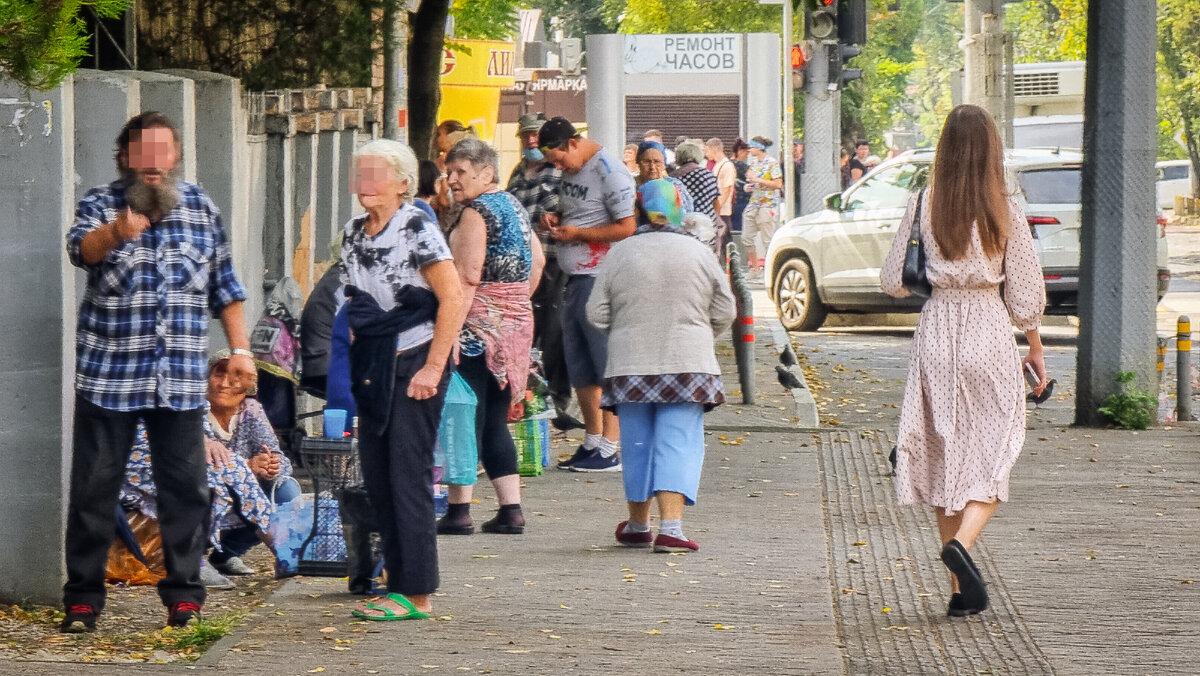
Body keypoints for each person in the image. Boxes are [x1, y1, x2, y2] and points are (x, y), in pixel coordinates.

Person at [62, 112, 254, 633]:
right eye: (141, 151)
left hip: (180, 378)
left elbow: (226, 288)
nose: (152, 161)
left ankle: (184, 598)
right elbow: (81, 250)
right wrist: (117, 232)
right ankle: (82, 600)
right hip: (110, 376)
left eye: (162, 151)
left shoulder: (200, 207)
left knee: (186, 490)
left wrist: (241, 348)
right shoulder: (101, 204)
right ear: (125, 156)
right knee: (94, 490)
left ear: (174, 158)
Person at [880, 104, 1047, 618]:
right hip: (988, 329)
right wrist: (1036, 347)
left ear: (946, 151)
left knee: (944, 450)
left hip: (936, 329)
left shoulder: (923, 202)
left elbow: (891, 279)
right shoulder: (1005, 210)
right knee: (999, 447)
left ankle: (959, 591)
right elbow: (1025, 292)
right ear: (991, 151)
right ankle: (963, 548)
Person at [340, 138, 464, 621]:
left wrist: (433, 367)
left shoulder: (416, 225)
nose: (365, 183)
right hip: (374, 362)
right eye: (360, 173)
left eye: (375, 173)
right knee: (378, 476)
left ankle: (416, 593)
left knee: (407, 475)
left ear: (403, 183)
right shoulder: (353, 232)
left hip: (417, 356)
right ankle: (395, 582)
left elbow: (452, 298)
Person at [587, 178, 735, 552]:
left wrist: (625, 331)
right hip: (688, 363)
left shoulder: (619, 254)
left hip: (629, 365)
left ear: (638, 209)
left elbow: (596, 313)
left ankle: (638, 525)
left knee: (637, 444)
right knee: (679, 441)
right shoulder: (699, 253)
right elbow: (725, 310)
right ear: (679, 209)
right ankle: (671, 528)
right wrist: (700, 333)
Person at [438, 138, 545, 535]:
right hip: (514, 331)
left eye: (460, 172)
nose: (451, 179)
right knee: (495, 420)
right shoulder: (514, 206)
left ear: (485, 173)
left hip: (475, 332)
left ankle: (459, 510)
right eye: (449, 172)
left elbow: (465, 278)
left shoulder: (476, 213)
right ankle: (511, 509)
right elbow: (538, 261)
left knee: (466, 416)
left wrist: (451, 331)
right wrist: (513, 306)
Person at [120, 351, 296, 588]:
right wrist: (204, 443)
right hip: (149, 470)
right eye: (218, 374)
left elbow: (276, 456)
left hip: (209, 475)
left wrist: (271, 464)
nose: (224, 383)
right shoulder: (188, 399)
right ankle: (196, 560)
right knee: (222, 474)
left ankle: (262, 553)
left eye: (236, 376)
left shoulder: (251, 410)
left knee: (283, 487)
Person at [538, 117, 637, 473]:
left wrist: (579, 233)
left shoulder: (610, 172)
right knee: (578, 361)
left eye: (560, 160)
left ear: (574, 143)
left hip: (601, 275)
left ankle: (611, 445)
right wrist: (555, 217)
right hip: (575, 275)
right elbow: (578, 207)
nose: (558, 167)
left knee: (603, 361)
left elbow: (627, 227)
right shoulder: (571, 169)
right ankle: (592, 439)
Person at [506, 112, 579, 431]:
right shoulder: (516, 174)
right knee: (522, 333)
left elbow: (575, 212)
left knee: (555, 332)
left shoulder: (559, 171)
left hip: (553, 261)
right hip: (519, 267)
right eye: (525, 136)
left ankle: (559, 398)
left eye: (535, 135)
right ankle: (523, 397)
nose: (531, 141)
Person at [741, 136, 784, 276]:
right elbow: (753, 182)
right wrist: (749, 186)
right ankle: (755, 269)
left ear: (759, 148)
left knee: (767, 239)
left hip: (768, 204)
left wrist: (758, 179)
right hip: (754, 203)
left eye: (752, 147)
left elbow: (778, 184)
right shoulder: (753, 164)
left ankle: (771, 270)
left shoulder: (772, 163)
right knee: (746, 237)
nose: (750, 150)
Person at [671, 140, 722, 254]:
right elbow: (716, 203)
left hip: (682, 228)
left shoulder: (673, 178)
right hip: (706, 228)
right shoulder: (708, 175)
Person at [705, 138, 737, 257]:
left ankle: (731, 265)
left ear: (714, 149)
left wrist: (717, 209)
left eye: (707, 150)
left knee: (725, 240)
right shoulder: (718, 165)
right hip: (718, 208)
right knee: (722, 240)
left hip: (723, 210)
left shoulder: (727, 166)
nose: (706, 154)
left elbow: (727, 189)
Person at [730, 138, 751, 235]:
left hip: (731, 200)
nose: (746, 156)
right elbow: (752, 178)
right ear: (740, 151)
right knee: (740, 228)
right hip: (742, 199)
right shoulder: (742, 165)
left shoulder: (728, 163)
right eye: (746, 153)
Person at [792, 138, 805, 209]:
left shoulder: (808, 161)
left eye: (796, 146)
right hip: (792, 197)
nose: (794, 148)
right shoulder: (785, 164)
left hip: (805, 194)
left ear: (801, 146)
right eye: (792, 146)